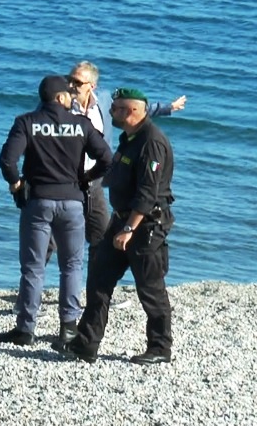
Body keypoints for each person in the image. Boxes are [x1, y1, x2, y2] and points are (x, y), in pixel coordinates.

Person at [12, 61, 185, 316]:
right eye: (69, 80)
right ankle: (28, 297)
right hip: (63, 182)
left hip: (92, 182)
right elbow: (38, 131)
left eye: (77, 82)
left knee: (100, 238)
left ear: (92, 86)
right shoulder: (57, 103)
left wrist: (168, 107)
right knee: (47, 243)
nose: (71, 86)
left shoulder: (104, 100)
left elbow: (134, 110)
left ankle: (95, 293)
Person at [55, 87, 176, 365]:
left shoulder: (151, 141)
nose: (111, 112)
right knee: (99, 278)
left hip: (145, 226)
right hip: (121, 220)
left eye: (117, 108)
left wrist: (130, 229)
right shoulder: (129, 138)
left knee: (150, 288)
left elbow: (148, 191)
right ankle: (86, 344)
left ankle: (159, 347)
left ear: (133, 111)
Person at [0, 75, 113, 346]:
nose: (72, 97)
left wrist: (16, 184)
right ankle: (68, 327)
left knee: (33, 267)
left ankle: (26, 328)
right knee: (71, 266)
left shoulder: (26, 122)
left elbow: (7, 160)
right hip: (72, 201)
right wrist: (86, 178)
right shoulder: (80, 125)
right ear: (60, 98)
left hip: (38, 200)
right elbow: (107, 158)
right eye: (69, 94)